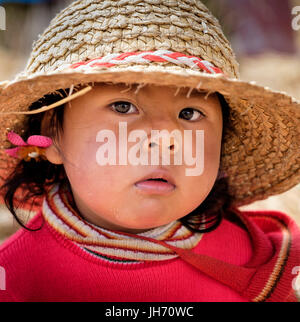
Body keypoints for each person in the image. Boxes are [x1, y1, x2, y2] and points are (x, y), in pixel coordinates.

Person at [0, 0, 299, 302]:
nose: (165, 137)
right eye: (123, 107)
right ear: (52, 134)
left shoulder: (261, 262)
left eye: (190, 113)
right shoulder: (15, 278)